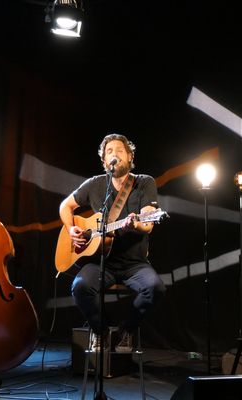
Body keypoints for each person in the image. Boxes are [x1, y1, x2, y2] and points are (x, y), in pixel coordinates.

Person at [59, 133, 166, 352]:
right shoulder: (95, 184)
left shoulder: (144, 183)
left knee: (155, 288)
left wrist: (135, 224)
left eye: (119, 151)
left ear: (129, 156)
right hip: (100, 262)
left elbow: (148, 223)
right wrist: (71, 229)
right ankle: (101, 331)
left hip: (134, 263)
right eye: (109, 152)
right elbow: (65, 206)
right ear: (104, 161)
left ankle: (126, 330)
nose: (114, 155)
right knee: (80, 287)